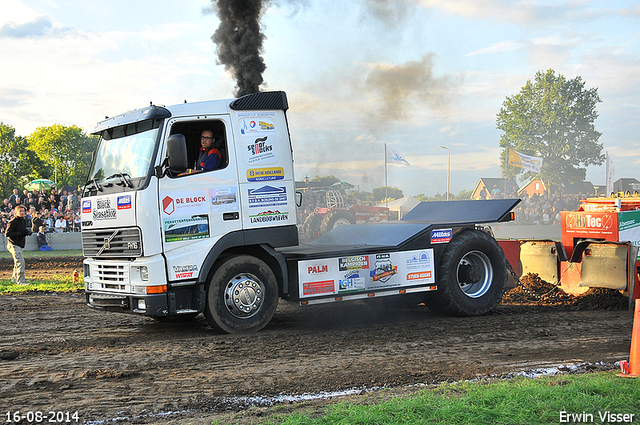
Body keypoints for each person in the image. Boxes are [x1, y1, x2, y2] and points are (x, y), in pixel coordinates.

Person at [5, 205, 31, 285]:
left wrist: (26, 233)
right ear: (16, 213)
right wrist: (20, 233)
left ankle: (14, 279)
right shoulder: (13, 222)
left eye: (23, 211)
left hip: (19, 244)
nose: (22, 212)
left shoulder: (23, 221)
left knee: (17, 263)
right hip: (13, 244)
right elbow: (7, 233)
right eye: (20, 211)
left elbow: (22, 231)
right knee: (20, 263)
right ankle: (21, 282)